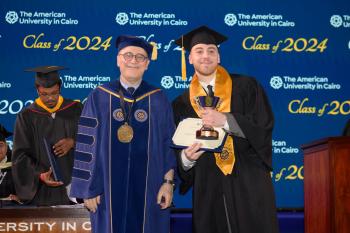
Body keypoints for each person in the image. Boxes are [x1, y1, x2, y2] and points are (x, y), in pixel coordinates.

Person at [172, 26, 279, 233]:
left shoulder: (247, 87)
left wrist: (227, 120)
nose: (206, 56)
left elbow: (264, 127)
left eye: (211, 51)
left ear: (219, 57)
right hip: (208, 184)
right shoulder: (180, 104)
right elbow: (175, 150)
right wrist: (186, 158)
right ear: (190, 58)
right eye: (199, 51)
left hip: (248, 179)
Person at [70, 35, 176, 233]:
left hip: (150, 188)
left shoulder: (158, 98)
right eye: (128, 55)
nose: (133, 61)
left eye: (140, 57)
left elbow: (167, 144)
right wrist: (88, 189)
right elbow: (86, 145)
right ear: (118, 60)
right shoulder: (99, 96)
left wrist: (168, 183)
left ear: (147, 64)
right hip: (106, 191)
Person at [12, 66, 83, 206]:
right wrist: (39, 174)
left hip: (74, 187)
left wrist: (74, 142)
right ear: (37, 90)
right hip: (42, 191)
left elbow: (95, 141)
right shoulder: (26, 116)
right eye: (44, 94)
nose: (50, 98)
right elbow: (20, 156)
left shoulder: (76, 109)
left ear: (60, 88)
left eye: (54, 93)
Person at [0, 124, 20, 206]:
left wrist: (20, 198)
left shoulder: (17, 166)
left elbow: (28, 193)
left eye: (0, 145)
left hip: (13, 212)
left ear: (7, 146)